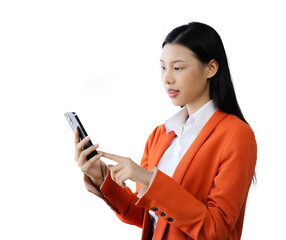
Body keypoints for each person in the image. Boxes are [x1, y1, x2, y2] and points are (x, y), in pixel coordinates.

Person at [74, 22, 257, 240]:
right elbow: (146, 216)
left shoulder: (236, 134)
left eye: (178, 68)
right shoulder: (160, 135)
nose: (167, 78)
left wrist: (149, 179)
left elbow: (216, 230)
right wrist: (102, 177)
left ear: (211, 68)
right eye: (163, 67)